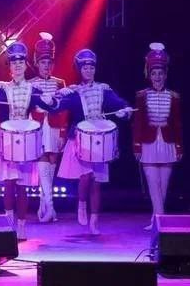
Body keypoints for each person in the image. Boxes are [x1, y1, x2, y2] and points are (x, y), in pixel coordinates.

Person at [0, 41, 57, 239]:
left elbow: (53, 105)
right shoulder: (1, 88)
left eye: (20, 62)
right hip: (6, 140)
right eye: (14, 63)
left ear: (25, 65)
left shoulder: (33, 89)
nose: (17, 65)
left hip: (26, 141)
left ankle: (22, 226)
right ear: (10, 66)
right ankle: (8, 225)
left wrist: (52, 100)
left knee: (22, 186)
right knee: (8, 184)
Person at [53, 49, 133, 235]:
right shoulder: (74, 91)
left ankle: (94, 221)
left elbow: (118, 102)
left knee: (96, 182)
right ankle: (81, 204)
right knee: (86, 176)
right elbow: (57, 106)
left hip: (100, 139)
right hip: (81, 138)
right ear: (79, 70)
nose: (88, 71)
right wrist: (55, 97)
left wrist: (124, 109)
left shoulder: (103, 89)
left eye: (91, 67)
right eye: (85, 68)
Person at [132, 43, 183, 230]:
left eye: (160, 73)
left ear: (165, 74)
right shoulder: (141, 96)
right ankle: (162, 221)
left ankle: (156, 220)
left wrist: (179, 147)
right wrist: (136, 146)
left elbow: (177, 124)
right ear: (149, 75)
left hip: (168, 143)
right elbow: (138, 122)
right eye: (154, 74)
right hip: (148, 144)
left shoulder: (174, 97)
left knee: (163, 186)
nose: (157, 77)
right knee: (153, 185)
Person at [28, 32, 68, 223]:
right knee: (43, 161)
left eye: (49, 62)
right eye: (43, 62)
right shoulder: (30, 84)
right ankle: (51, 207)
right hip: (38, 126)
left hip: (54, 126)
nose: (46, 66)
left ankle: (43, 205)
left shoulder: (59, 83)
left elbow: (64, 111)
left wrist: (63, 132)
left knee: (52, 161)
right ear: (37, 63)